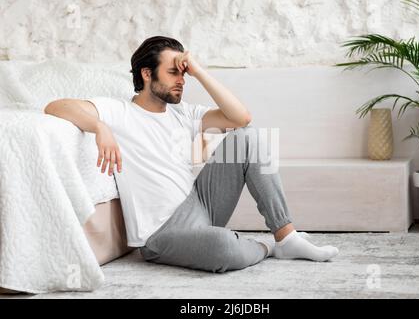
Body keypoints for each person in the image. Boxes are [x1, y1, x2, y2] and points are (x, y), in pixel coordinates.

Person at [44, 36, 339, 273]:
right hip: (160, 233)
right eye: (173, 72)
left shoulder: (183, 113)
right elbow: (55, 107)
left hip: (200, 202)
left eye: (183, 73)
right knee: (222, 248)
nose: (181, 80)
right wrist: (99, 127)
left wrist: (199, 71)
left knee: (249, 137)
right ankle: (268, 249)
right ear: (147, 74)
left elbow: (241, 118)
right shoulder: (118, 112)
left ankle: (285, 236)